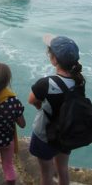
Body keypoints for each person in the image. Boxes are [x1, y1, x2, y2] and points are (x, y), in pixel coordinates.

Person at [28, 34, 85, 185]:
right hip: (66, 133)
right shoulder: (79, 81)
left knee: (46, 174)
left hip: (45, 135)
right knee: (63, 169)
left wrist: (40, 106)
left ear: (54, 60)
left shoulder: (46, 83)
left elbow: (32, 100)